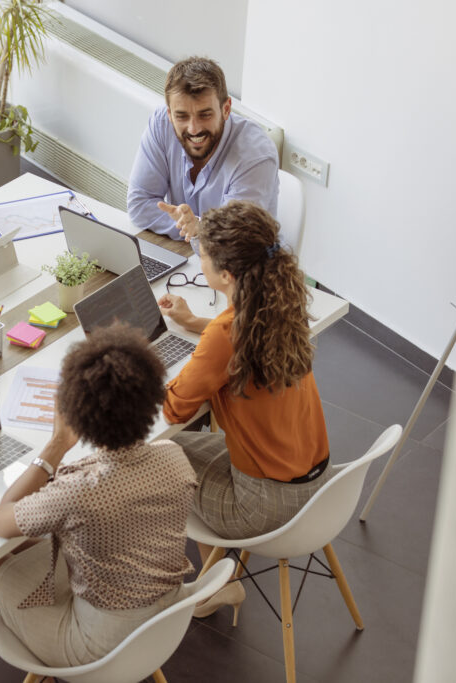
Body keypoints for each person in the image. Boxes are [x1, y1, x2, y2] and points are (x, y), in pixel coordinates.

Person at [0, 325, 197, 681]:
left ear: (80, 414)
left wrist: (56, 445)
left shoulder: (81, 493)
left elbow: (2, 520)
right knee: (33, 544)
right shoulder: (173, 457)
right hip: (163, 619)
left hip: (96, 647)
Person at [160, 200, 331, 621]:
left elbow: (174, 408)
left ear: (226, 275)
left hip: (266, 504)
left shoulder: (225, 335)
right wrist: (199, 325)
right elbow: (237, 333)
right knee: (188, 449)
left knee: (156, 461)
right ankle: (219, 580)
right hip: (318, 482)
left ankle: (213, 585)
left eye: (201, 253)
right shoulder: (282, 306)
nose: (197, 256)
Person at [127, 56, 278, 243]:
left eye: (205, 115)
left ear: (226, 109)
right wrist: (197, 231)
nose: (194, 129)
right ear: (170, 114)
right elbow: (139, 204)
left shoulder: (255, 155)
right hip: (189, 254)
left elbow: (233, 242)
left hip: (241, 266)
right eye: (181, 116)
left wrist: (200, 230)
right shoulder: (161, 123)